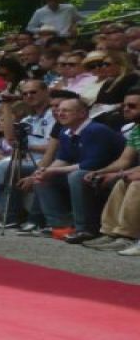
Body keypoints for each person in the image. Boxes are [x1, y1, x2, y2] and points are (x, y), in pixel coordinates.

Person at [32, 98, 125, 243]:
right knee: (42, 177)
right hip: (89, 171)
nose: (60, 114)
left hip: (109, 172)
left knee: (76, 176)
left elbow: (90, 165)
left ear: (82, 113)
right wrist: (46, 171)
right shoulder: (65, 131)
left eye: (65, 110)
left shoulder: (96, 130)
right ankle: (60, 225)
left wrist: (52, 171)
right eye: (58, 110)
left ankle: (85, 229)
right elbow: (63, 158)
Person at [81, 90, 140, 254]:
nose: (126, 109)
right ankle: (110, 233)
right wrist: (100, 172)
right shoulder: (137, 130)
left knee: (135, 184)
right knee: (122, 182)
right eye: (124, 105)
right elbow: (124, 161)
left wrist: (120, 174)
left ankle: (127, 236)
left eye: (132, 106)